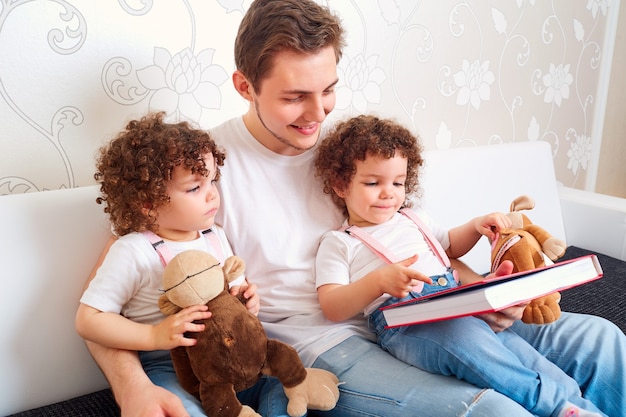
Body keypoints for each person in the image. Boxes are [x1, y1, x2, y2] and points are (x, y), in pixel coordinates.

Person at [82, 1, 626, 416]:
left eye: (329, 89)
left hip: (423, 315)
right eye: (295, 97)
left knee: (604, 341)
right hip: (324, 345)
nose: (317, 114)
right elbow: (111, 292)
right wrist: (135, 388)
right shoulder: (204, 169)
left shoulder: (353, 152)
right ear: (244, 86)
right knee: (494, 410)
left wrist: (478, 297)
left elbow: (413, 239)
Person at [313, 114, 607, 417]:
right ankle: (556, 406)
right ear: (341, 184)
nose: (389, 192)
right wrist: (377, 282)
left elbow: (451, 244)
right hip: (406, 323)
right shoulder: (340, 242)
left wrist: (476, 226)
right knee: (473, 350)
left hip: (456, 303)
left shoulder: (413, 218)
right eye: (373, 183)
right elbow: (332, 305)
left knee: (517, 353)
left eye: (398, 182)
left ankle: (578, 405)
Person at [74, 112, 263, 416]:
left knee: (285, 389)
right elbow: (89, 318)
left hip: (226, 355)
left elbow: (232, 287)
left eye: (212, 180)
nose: (212, 194)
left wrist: (245, 299)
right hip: (167, 364)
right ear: (148, 202)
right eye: (194, 188)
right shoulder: (133, 250)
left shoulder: (214, 235)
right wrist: (154, 336)